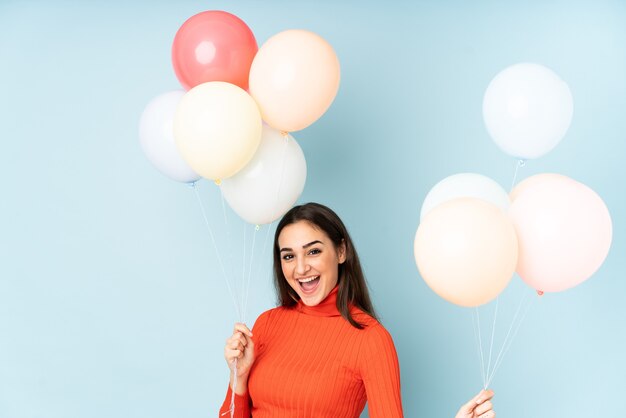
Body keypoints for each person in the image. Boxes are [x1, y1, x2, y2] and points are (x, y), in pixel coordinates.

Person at [219, 203, 496, 418]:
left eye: (313, 251)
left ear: (341, 252)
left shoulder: (370, 339)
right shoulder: (267, 324)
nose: (300, 268)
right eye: (289, 256)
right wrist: (238, 377)